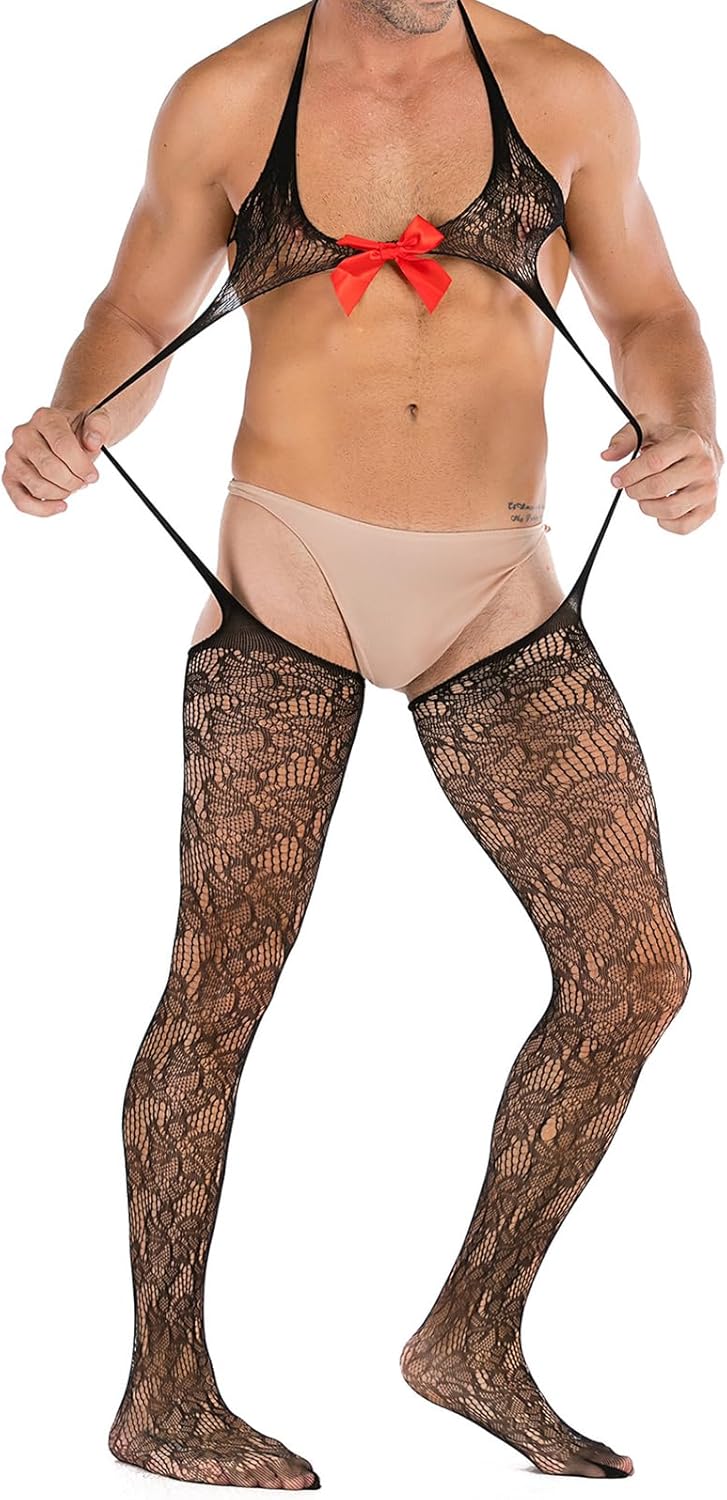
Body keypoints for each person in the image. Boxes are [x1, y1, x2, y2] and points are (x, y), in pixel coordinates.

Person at [3, 0, 721, 1487]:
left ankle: (473, 1335)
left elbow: (649, 313)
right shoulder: (231, 97)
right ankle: (164, 1394)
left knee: (636, 973)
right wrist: (76, 420)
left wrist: (686, 430)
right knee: (216, 992)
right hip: (290, 578)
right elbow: (135, 313)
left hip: (497, 588)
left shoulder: (563, 91)